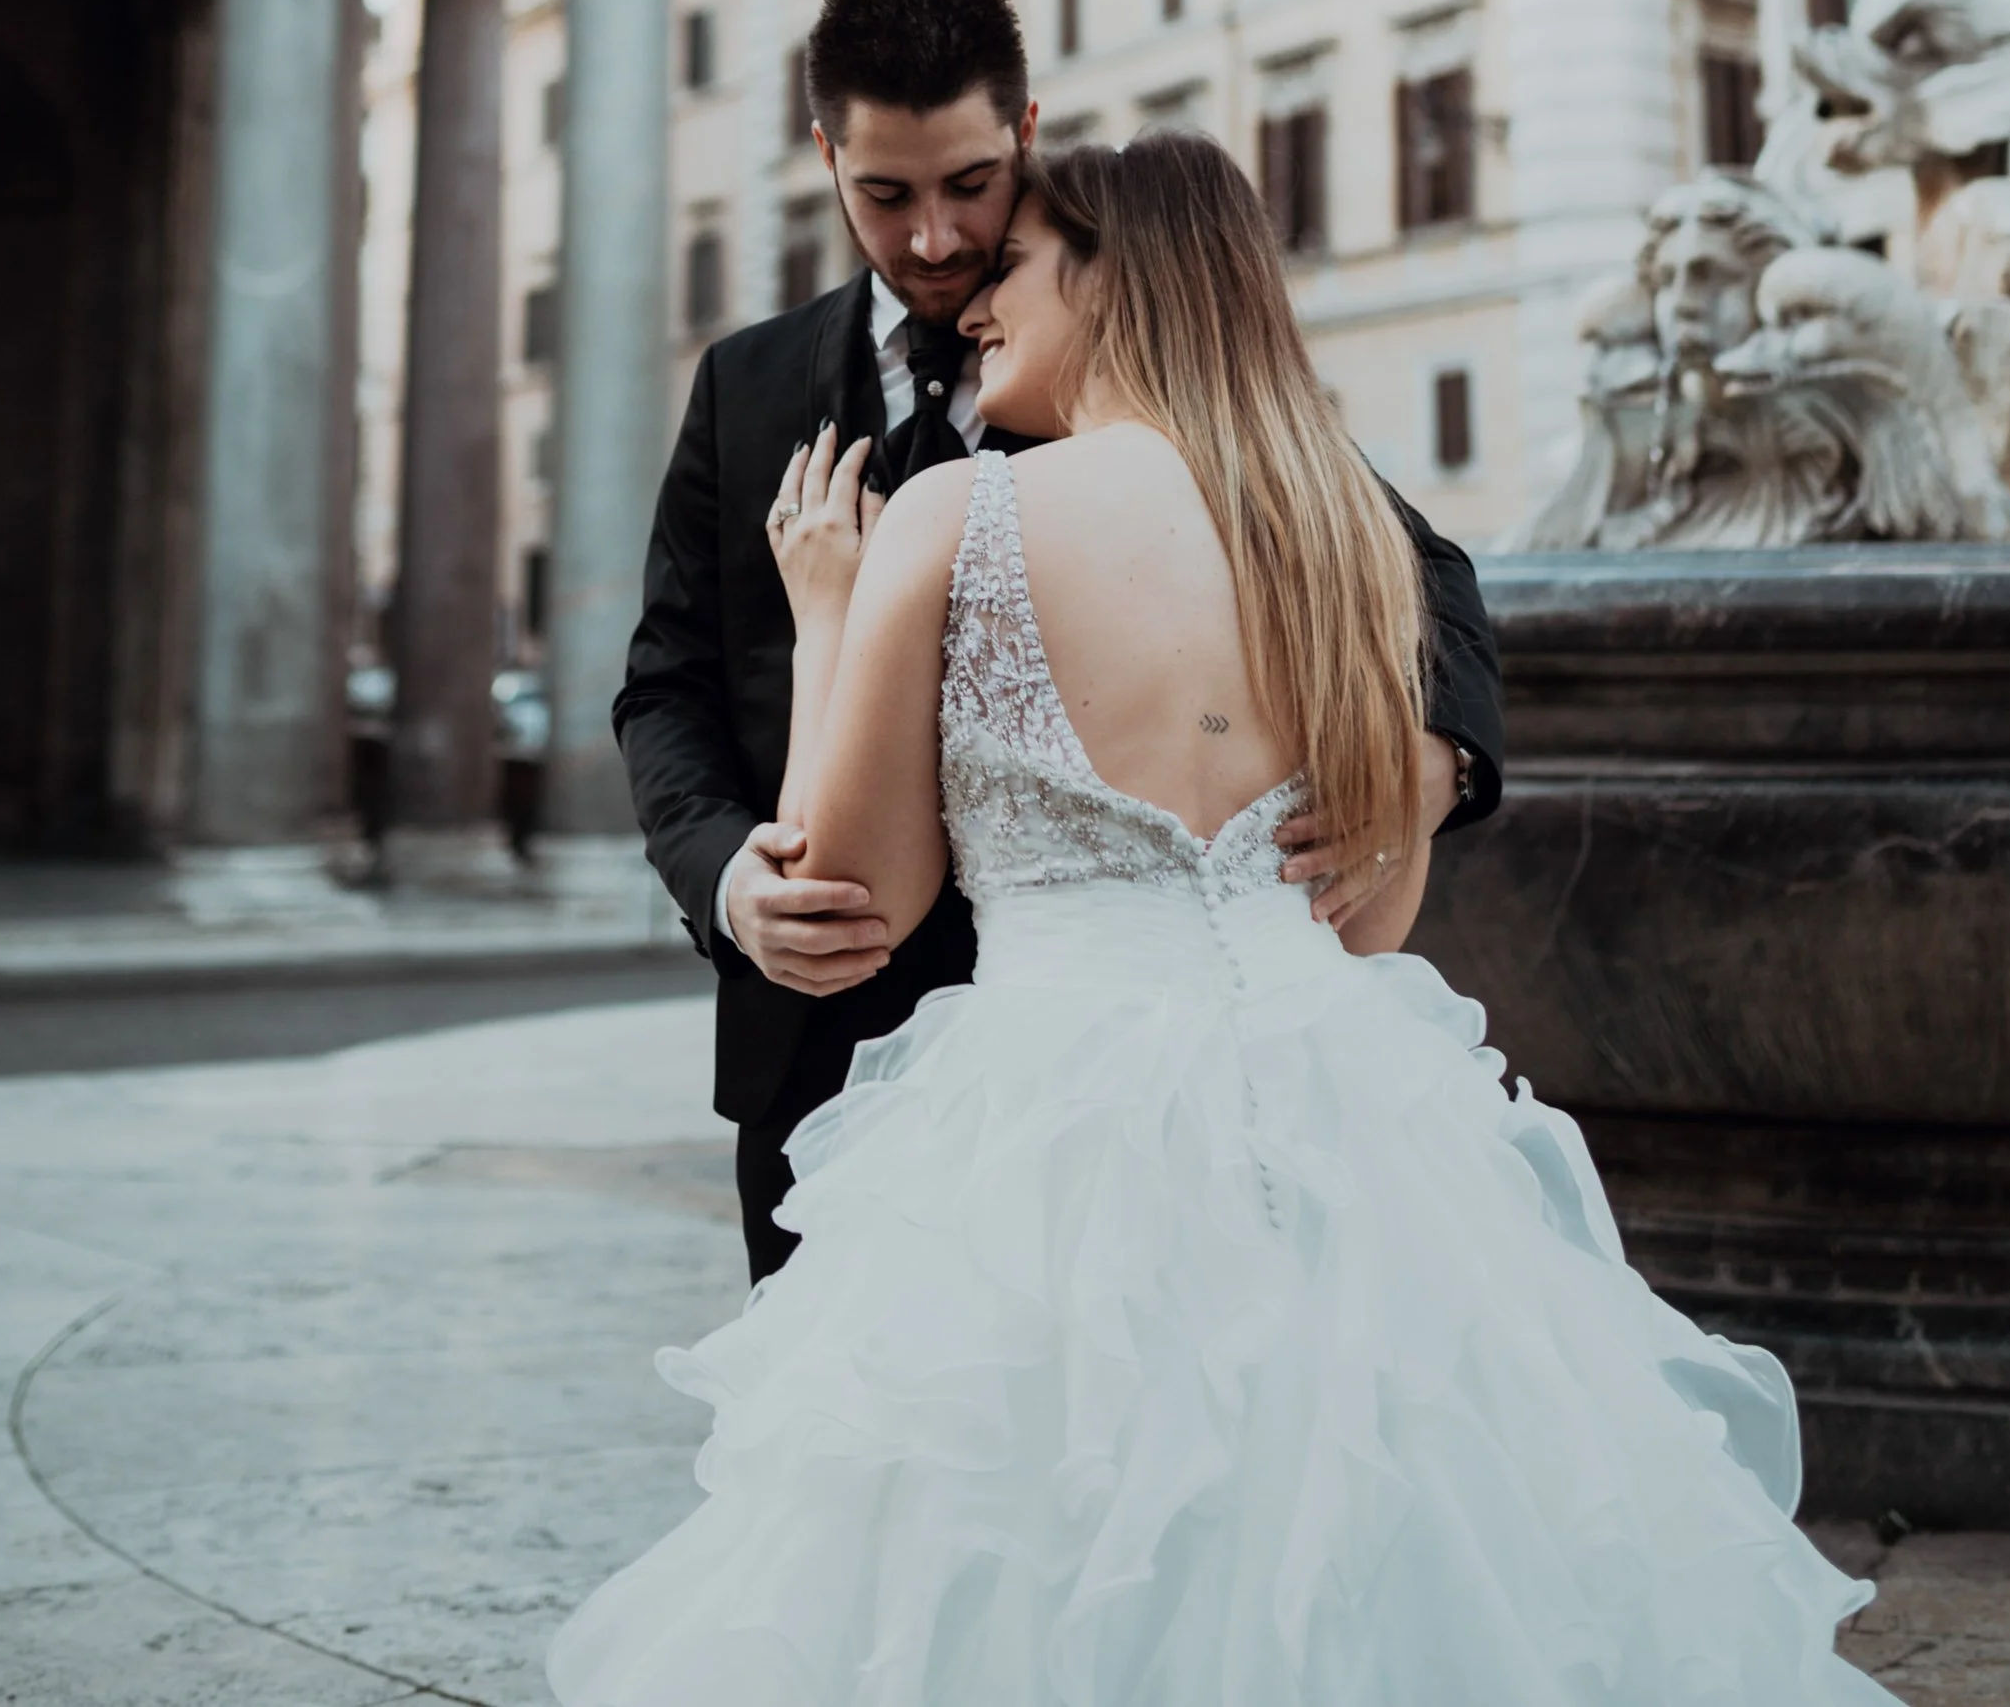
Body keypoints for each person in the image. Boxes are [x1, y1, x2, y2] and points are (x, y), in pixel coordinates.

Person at [554, 132, 1889, 1704]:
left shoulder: (950, 518)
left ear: (1119, 278)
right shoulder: (1344, 537)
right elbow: (1371, 915)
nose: (977, 309)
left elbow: (857, 892)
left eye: (1019, 272)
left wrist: (831, 612)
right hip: (1349, 1104)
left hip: (1054, 1116)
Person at [613, 0, 1507, 1282]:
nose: (934, 241)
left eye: (972, 187)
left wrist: (1436, 758)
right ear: (825, 157)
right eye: (886, 193)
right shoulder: (745, 387)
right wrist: (732, 880)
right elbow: (666, 686)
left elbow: (1405, 563)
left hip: (1121, 1077)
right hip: (820, 1050)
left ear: (1025, 134)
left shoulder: (1161, 367)